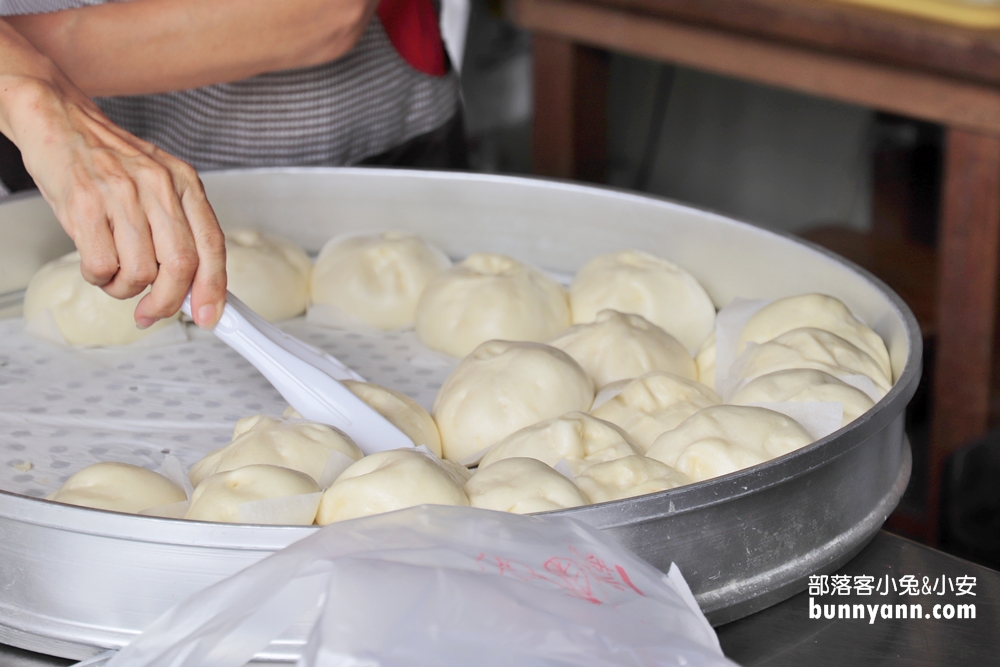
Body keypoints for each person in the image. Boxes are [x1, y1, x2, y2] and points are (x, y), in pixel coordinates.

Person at [0, 0, 462, 330]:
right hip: (41, 154)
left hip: (325, 140)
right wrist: (30, 99)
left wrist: (32, 76)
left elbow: (322, 13)